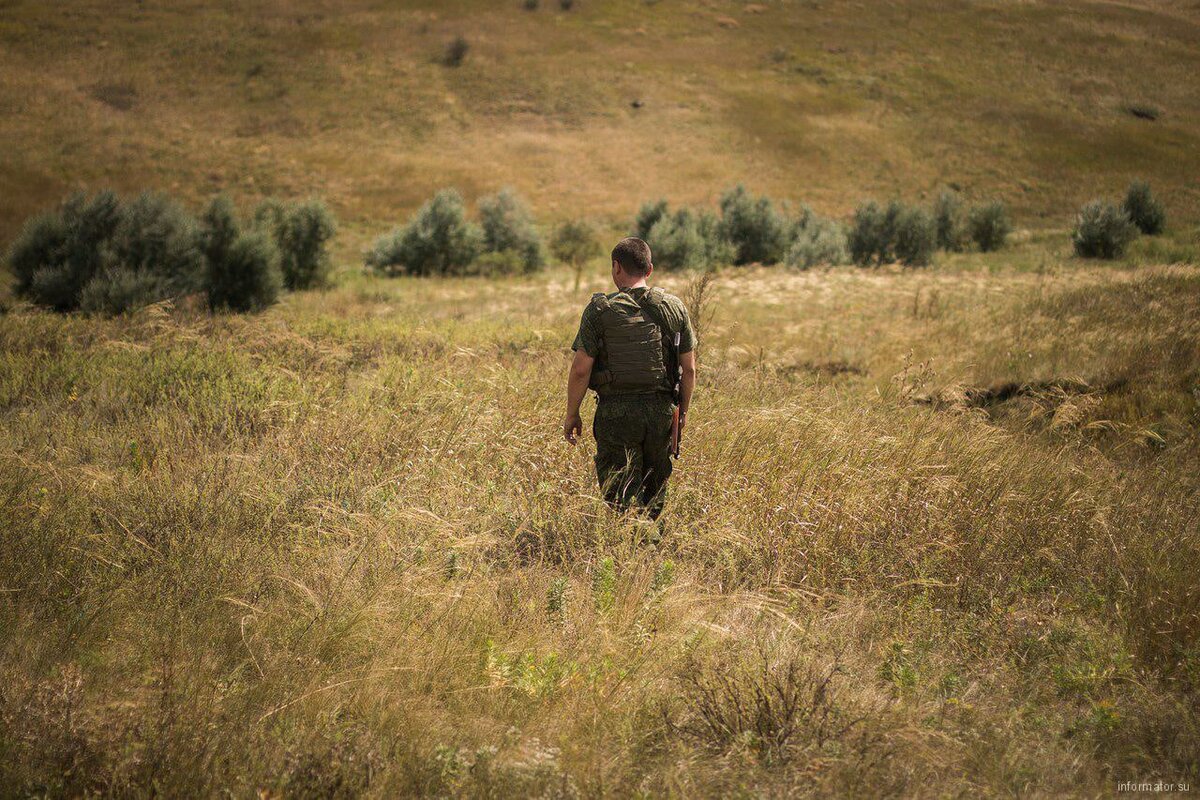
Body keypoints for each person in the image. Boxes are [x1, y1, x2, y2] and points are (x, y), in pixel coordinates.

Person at [562, 237, 697, 521]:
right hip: (661, 412)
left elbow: (580, 370)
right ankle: (650, 541)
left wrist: (572, 413)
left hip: (616, 414)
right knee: (654, 486)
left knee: (618, 488)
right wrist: (681, 413)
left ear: (616, 268)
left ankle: (626, 541)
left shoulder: (599, 311)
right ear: (649, 269)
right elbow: (690, 370)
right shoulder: (674, 307)